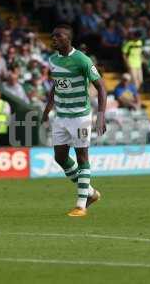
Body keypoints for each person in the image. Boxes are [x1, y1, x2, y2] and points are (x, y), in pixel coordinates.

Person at [41, 24, 107, 217]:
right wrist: (48, 108)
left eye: (57, 37)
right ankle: (91, 193)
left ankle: (81, 205)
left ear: (67, 39)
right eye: (52, 36)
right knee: (60, 157)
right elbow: (56, 85)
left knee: (82, 158)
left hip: (80, 117)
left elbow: (101, 88)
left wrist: (100, 115)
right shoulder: (53, 60)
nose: (53, 39)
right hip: (61, 116)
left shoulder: (82, 60)